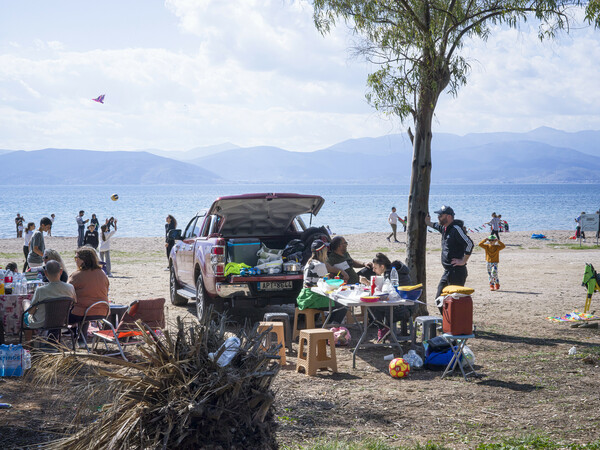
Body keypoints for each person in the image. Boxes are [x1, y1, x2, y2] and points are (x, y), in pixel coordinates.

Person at [359, 253, 414, 341]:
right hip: (407, 304)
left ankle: (383, 328)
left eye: (375, 268)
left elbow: (385, 293)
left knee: (372, 305)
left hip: (402, 307)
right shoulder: (395, 270)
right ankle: (384, 329)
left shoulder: (390, 274)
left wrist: (367, 283)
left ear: (382, 267)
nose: (373, 270)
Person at [425, 205, 474, 304]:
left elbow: (469, 243)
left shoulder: (456, 229)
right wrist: (428, 222)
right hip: (447, 272)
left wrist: (463, 261)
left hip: (457, 272)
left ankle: (456, 320)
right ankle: (449, 320)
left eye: (441, 215)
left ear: (449, 217)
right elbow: (436, 226)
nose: (438, 217)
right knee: (439, 300)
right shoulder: (445, 228)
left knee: (454, 303)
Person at [296, 240, 348, 324]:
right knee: (343, 305)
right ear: (322, 251)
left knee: (336, 303)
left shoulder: (309, 263)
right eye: (326, 250)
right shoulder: (320, 265)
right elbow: (327, 284)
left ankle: (328, 323)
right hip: (313, 298)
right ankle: (331, 326)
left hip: (304, 295)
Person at [68, 247, 110, 345]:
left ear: (84, 260)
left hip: (82, 313)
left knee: (58, 313)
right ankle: (81, 339)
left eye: (76, 258)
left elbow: (66, 292)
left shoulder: (77, 275)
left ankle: (51, 342)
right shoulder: (102, 273)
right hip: (102, 311)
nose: (75, 261)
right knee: (85, 310)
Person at [23, 260, 76, 330]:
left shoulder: (40, 290)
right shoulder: (70, 287)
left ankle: (28, 340)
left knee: (25, 304)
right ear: (61, 271)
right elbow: (74, 302)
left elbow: (31, 311)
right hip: (61, 321)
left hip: (42, 322)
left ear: (45, 273)